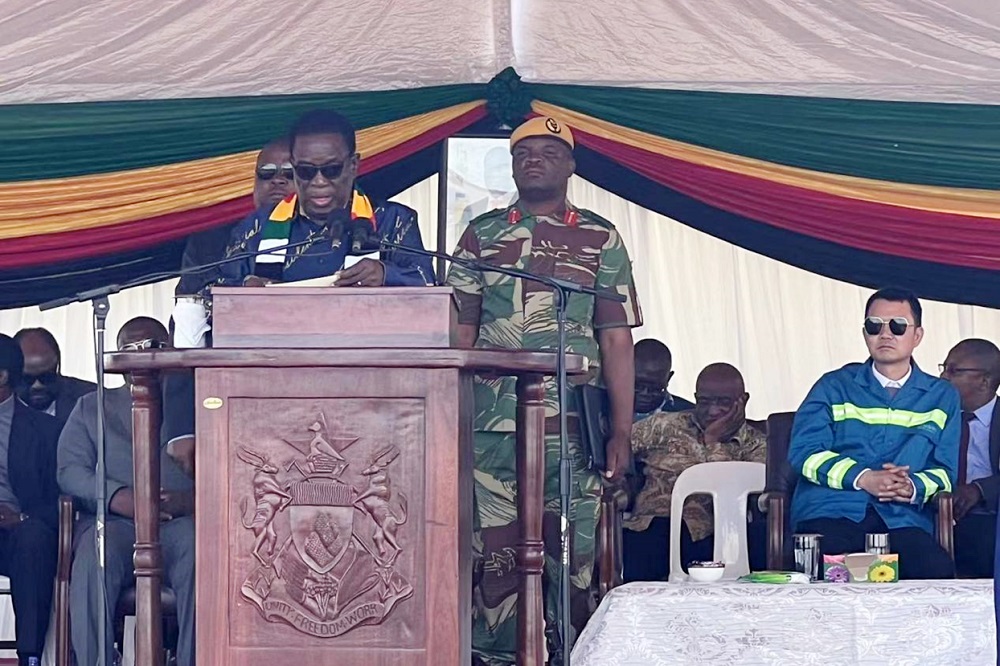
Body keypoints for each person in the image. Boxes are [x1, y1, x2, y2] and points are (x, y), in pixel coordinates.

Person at [447, 116, 641, 664]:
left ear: (571, 166)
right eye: (523, 153)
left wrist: (621, 432)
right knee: (494, 556)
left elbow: (615, 338)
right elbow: (460, 333)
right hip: (490, 426)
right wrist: (450, 417)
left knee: (572, 553)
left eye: (549, 152)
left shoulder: (600, 236)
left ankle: (571, 653)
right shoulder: (481, 234)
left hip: (571, 428)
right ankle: (495, 658)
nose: (533, 160)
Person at [789, 287, 960, 579]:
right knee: (831, 574)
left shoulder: (942, 396)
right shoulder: (833, 386)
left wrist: (911, 487)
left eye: (898, 326)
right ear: (864, 332)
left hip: (902, 519)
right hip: (832, 512)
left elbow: (946, 473)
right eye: (874, 325)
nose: (885, 334)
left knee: (935, 571)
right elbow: (804, 454)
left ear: (917, 336)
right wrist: (864, 478)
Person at [58, 317, 195, 666]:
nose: (142, 355)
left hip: (181, 522)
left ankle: (194, 658)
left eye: (153, 346)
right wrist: (118, 497)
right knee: (95, 554)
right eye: (131, 349)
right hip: (116, 523)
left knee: (204, 554)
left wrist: (191, 500)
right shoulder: (91, 406)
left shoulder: (196, 401)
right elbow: (69, 471)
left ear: (170, 350)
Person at [211, 109, 434, 290]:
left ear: (353, 165)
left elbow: (428, 282)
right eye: (306, 171)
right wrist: (245, 288)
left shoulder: (393, 221)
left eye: (331, 169)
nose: (319, 181)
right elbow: (211, 296)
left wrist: (385, 274)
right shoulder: (256, 227)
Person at [624, 363, 767, 581]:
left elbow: (739, 495)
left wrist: (714, 441)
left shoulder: (756, 444)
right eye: (704, 401)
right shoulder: (662, 425)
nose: (712, 411)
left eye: (723, 402)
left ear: (743, 400)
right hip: (652, 527)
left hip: (716, 535)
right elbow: (618, 449)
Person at [0, 335, 60, 666]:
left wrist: (20, 519)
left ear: (2, 376)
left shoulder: (46, 431)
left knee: (34, 538)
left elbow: (63, 500)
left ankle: (30, 656)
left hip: (15, 533)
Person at [175, 137, 296, 296]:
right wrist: (241, 286)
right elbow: (187, 299)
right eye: (267, 172)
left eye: (289, 173)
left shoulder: (320, 236)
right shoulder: (209, 241)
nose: (278, 180)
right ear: (254, 182)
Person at [941, 339, 1000, 577]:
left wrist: (978, 490)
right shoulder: (936, 417)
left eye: (953, 371)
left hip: (989, 514)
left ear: (984, 381)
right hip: (940, 510)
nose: (943, 377)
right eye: (943, 368)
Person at [13, 328, 95, 423]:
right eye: (27, 379)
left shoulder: (92, 400)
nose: (37, 386)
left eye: (46, 377)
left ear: (57, 368)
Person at [633, 338, 694, 421]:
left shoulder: (690, 415)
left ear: (668, 378)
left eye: (655, 387)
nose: (645, 393)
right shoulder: (613, 409)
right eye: (637, 385)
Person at [458, 146, 517, 227]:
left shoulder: (527, 205)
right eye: (490, 168)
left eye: (502, 168)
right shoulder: (471, 210)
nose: (495, 174)